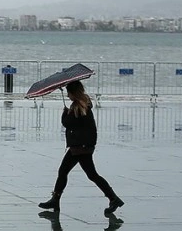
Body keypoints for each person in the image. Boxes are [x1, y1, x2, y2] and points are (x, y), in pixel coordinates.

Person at [38, 80, 124, 215]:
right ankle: (113, 198)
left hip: (80, 147)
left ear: (73, 93)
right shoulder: (83, 104)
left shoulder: (78, 107)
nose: (67, 96)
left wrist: (64, 113)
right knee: (86, 174)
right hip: (82, 145)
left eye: (68, 93)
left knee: (70, 172)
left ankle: (113, 198)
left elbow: (68, 123)